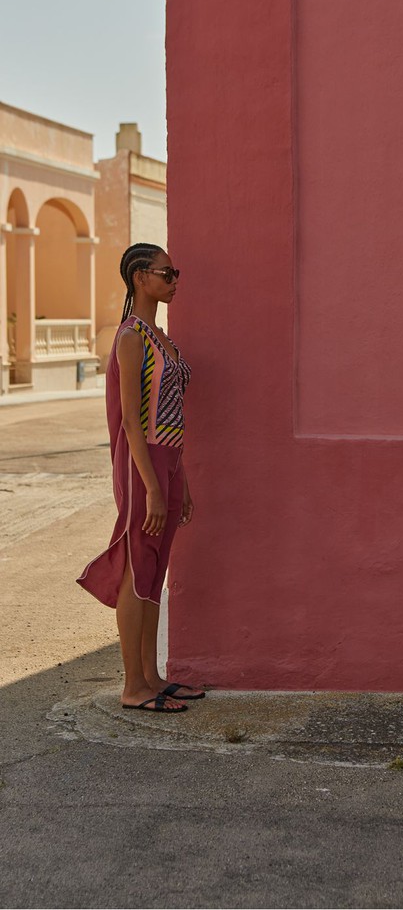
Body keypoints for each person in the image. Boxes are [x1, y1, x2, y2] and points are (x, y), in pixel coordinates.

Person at [77, 243, 203, 712]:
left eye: (176, 272)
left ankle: (153, 676)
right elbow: (132, 419)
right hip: (141, 462)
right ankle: (133, 687)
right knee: (137, 566)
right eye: (166, 273)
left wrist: (181, 477)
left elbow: (172, 413)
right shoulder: (131, 336)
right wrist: (151, 484)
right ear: (139, 277)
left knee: (156, 567)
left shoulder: (163, 336)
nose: (174, 280)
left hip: (167, 458)